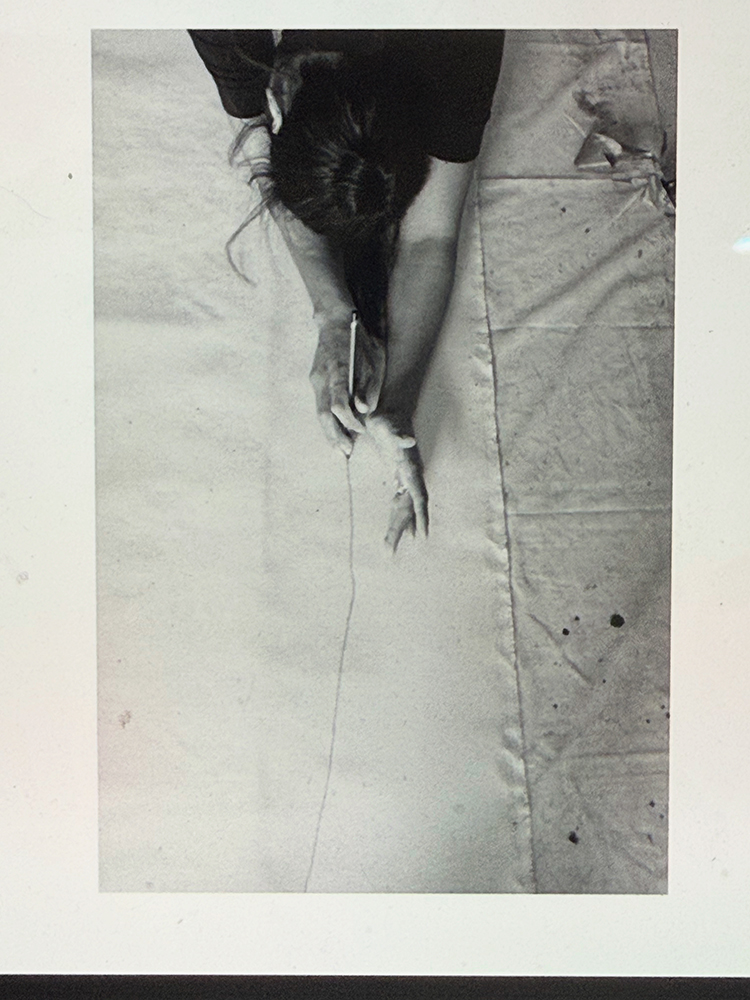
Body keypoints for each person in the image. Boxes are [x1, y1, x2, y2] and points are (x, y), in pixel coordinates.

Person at [189, 29, 505, 551]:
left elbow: (430, 237)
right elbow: (253, 135)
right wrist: (333, 313)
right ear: (281, 93)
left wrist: (398, 395)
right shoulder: (226, 26)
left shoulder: (462, 40)